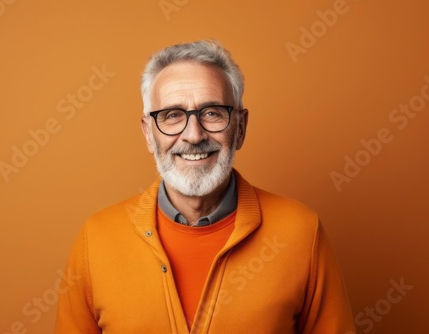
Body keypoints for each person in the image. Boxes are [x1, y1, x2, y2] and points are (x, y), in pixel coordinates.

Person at [55, 39, 356, 334]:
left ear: (240, 128)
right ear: (149, 133)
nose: (194, 134)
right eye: (172, 115)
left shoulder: (302, 232)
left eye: (212, 113)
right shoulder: (95, 240)